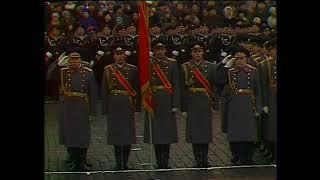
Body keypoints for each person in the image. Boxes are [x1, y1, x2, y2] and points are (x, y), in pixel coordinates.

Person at [47, 49, 98, 171]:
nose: (74, 62)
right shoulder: (63, 71)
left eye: (76, 59)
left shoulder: (88, 72)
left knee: (82, 134)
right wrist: (56, 64)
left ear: (80, 60)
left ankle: (82, 160)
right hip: (68, 106)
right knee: (70, 134)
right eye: (72, 59)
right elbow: (49, 77)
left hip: (82, 106)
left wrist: (92, 111)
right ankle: (74, 160)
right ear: (69, 61)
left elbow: (93, 93)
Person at [217, 46, 262, 165]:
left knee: (249, 132)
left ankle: (248, 157)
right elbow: (219, 80)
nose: (239, 61)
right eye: (237, 58)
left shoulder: (254, 71)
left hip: (248, 103)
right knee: (235, 132)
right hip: (234, 104)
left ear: (247, 59)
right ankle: (236, 154)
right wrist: (225, 65)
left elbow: (259, 91)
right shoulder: (230, 72)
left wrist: (258, 107)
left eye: (242, 58)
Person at [101, 44, 141, 170]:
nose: (119, 57)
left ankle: (125, 162)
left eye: (121, 54)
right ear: (114, 56)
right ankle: (119, 162)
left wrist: (137, 107)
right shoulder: (108, 69)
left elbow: (137, 89)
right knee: (116, 134)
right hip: (113, 104)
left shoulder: (133, 69)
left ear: (125, 55)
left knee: (127, 134)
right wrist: (105, 108)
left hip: (127, 104)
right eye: (117, 54)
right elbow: (104, 90)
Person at [180, 43, 219, 168]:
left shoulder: (211, 66)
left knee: (205, 131)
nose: (197, 54)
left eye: (199, 51)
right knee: (195, 132)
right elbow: (182, 89)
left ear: (203, 53)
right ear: (191, 53)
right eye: (195, 51)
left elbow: (214, 86)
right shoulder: (185, 67)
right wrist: (184, 107)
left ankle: (205, 158)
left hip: (205, 101)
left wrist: (215, 104)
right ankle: (198, 159)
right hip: (192, 101)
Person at [144, 40, 180, 169]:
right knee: (156, 133)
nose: (159, 51)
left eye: (162, 49)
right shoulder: (148, 64)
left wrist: (175, 103)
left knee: (167, 132)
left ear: (165, 50)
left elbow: (176, 84)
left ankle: (166, 160)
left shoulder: (172, 63)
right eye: (157, 49)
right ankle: (159, 160)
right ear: (153, 50)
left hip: (167, 100)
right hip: (154, 100)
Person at [259, 40, 277, 164]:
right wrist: (264, 103)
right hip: (271, 100)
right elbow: (262, 86)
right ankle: (272, 152)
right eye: (274, 49)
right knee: (271, 128)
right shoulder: (265, 65)